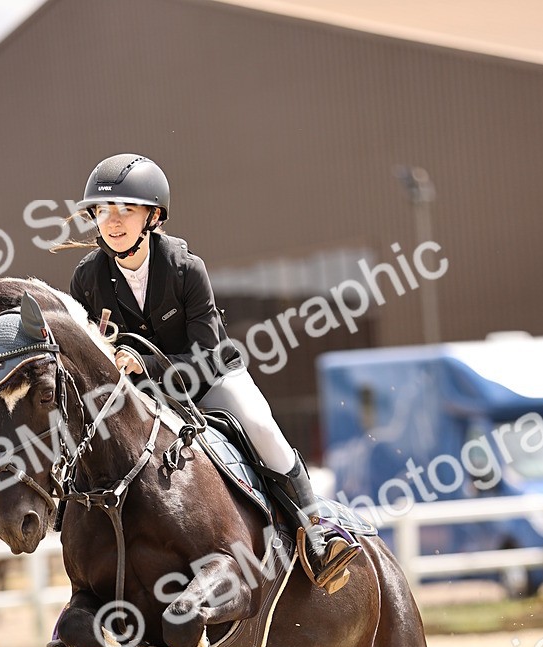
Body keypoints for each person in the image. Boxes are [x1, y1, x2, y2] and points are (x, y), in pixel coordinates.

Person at [67, 153, 360, 592]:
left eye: (126, 209)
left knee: (261, 426)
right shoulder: (87, 280)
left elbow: (204, 354)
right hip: (144, 396)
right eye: (104, 210)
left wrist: (142, 362)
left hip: (209, 378)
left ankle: (316, 531)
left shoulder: (185, 268)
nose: (113, 221)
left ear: (153, 215)